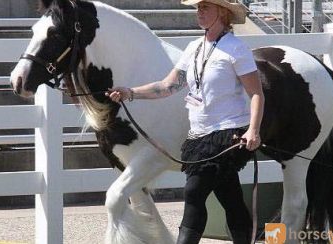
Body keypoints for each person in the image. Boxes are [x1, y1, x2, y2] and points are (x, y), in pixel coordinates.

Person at [107, 0, 264, 243]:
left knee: (194, 193)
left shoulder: (235, 48)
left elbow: (256, 94)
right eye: (198, 7)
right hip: (199, 136)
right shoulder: (194, 48)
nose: (199, 12)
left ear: (221, 13)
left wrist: (253, 130)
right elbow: (167, 86)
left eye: (205, 8)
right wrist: (130, 92)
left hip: (228, 134)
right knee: (230, 197)